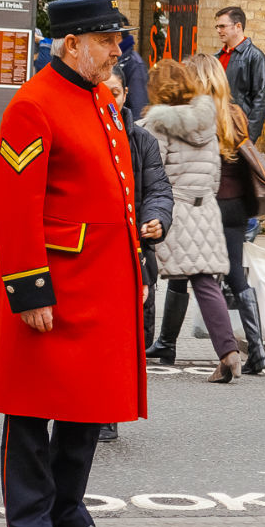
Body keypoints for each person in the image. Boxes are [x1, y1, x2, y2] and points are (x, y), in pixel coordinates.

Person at [0, 0, 142, 527]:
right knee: (32, 409)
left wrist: (134, 272)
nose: (116, 50)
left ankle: (68, 512)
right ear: (72, 44)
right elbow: (12, 206)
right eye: (107, 41)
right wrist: (28, 289)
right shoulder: (33, 105)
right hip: (52, 281)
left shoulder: (102, 98)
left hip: (101, 282)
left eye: (117, 40)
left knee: (87, 405)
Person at [142, 58, 244, 382]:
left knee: (144, 274)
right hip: (205, 208)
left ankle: (137, 347)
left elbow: (153, 174)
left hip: (172, 209)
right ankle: (228, 353)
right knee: (205, 281)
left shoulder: (157, 125)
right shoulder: (206, 121)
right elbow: (213, 175)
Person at [183, 52, 265, 375]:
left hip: (211, 204)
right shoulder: (236, 113)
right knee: (236, 273)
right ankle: (258, 350)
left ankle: (221, 348)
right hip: (238, 206)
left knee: (198, 274)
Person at [99, 67, 173, 441]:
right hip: (95, 253)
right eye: (104, 92)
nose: (111, 99)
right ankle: (84, 412)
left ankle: (108, 413)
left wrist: (157, 219)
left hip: (133, 255)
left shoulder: (142, 141)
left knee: (129, 339)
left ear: (126, 94)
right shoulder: (86, 134)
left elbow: (159, 189)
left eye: (116, 92)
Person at [214, 6, 265, 142]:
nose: (218, 31)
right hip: (216, 131)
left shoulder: (255, 57)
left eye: (222, 26)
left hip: (238, 133)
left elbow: (261, 100)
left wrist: (248, 137)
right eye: (217, 27)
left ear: (238, 26)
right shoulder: (216, 57)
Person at [116, 32, 150, 119]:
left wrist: (132, 130)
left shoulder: (135, 64)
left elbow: (139, 105)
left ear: (119, 37)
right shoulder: (120, 60)